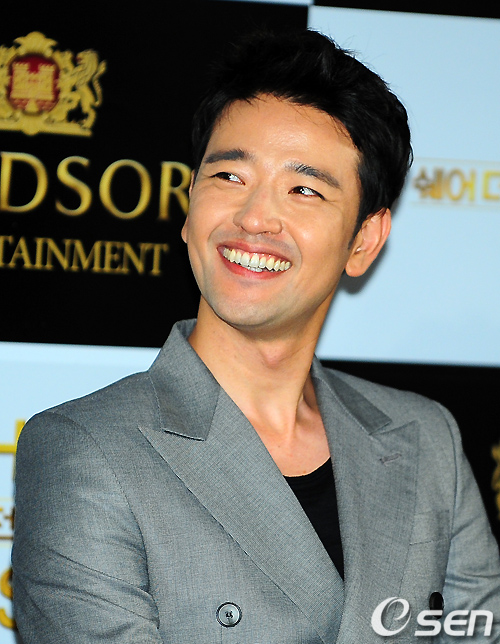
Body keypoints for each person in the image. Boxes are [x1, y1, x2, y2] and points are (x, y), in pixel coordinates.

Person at [12, 29, 500, 643]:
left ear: (364, 240)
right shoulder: (85, 450)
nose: (255, 217)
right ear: (189, 205)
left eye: (304, 190)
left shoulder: (425, 438)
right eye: (229, 176)